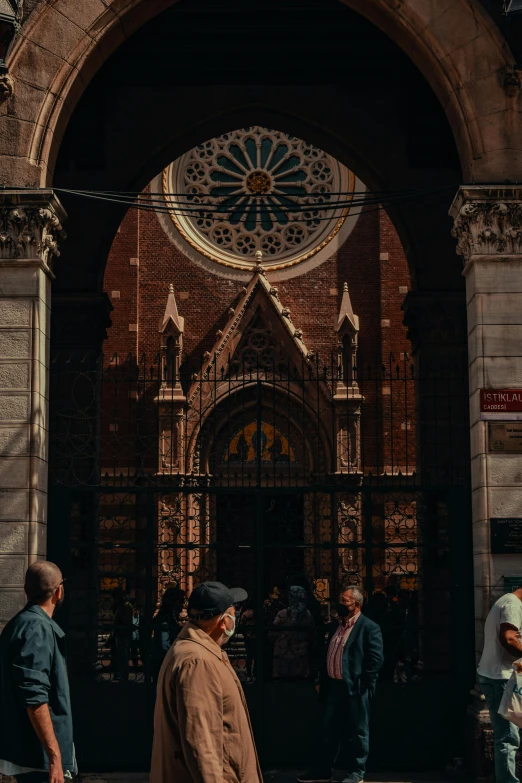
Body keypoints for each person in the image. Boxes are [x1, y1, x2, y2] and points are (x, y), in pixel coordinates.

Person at [150, 581, 263, 783]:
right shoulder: (198, 662)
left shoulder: (198, 651)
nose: (235, 616)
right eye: (233, 611)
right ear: (223, 621)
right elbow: (202, 744)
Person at [298, 585, 383, 783]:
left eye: (345, 601)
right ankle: (323, 770)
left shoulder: (368, 627)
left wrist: (363, 684)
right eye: (341, 600)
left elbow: (375, 660)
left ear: (357, 604)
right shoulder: (336, 626)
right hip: (334, 688)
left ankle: (357, 772)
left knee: (358, 731)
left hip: (355, 687)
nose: (341, 604)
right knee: (328, 730)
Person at [0, 561, 76, 783]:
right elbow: (34, 697)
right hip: (38, 758)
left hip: (32, 754)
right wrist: (54, 758)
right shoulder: (37, 629)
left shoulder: (20, 624)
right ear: (59, 591)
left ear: (26, 590)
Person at [477, 586, 522, 783]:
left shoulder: (505, 601)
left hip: (497, 675)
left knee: (508, 734)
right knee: (507, 737)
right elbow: (509, 638)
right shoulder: (512, 604)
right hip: (502, 678)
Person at [271, 585, 315, 679]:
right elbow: (311, 633)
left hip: (283, 653)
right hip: (300, 653)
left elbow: (273, 633)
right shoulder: (307, 614)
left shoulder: (283, 614)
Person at [151, 587, 186, 679]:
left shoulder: (170, 616)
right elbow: (164, 644)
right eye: (182, 600)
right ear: (176, 601)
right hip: (164, 662)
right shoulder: (166, 618)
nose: (183, 604)